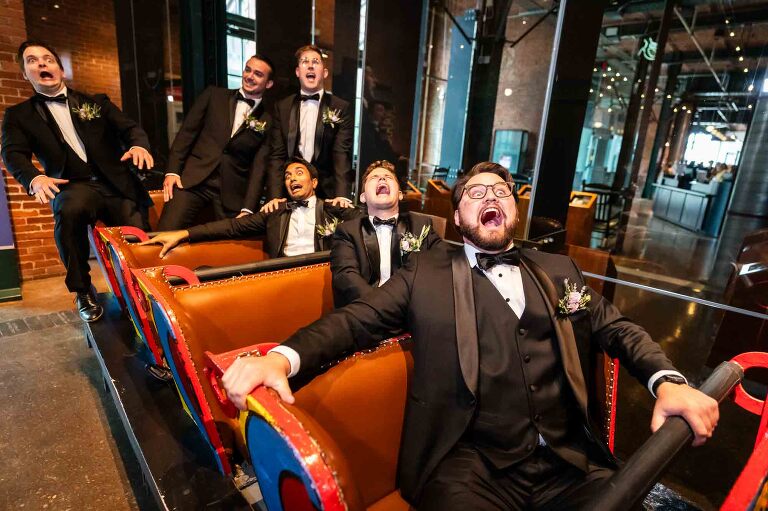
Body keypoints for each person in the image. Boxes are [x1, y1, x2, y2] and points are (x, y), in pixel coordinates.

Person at [221, 161, 719, 510]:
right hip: (468, 465)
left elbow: (617, 327)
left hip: (570, 463)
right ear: (457, 218)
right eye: (475, 194)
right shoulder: (424, 273)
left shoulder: (559, 269)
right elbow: (354, 321)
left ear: (514, 212)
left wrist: (667, 380)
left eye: (500, 191)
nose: (490, 197)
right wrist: (281, 358)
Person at [1, 40, 154, 322]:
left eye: (48, 59)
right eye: (32, 60)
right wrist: (34, 178)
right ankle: (82, 290)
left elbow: (130, 129)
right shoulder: (18, 116)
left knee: (135, 230)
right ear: (25, 74)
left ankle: (146, 285)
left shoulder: (96, 102)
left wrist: (138, 145)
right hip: (72, 185)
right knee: (69, 211)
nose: (42, 63)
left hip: (114, 182)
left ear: (60, 69)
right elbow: (13, 153)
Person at [143, 159, 361, 259]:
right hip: (282, 275)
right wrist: (183, 233)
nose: (292, 178)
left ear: (314, 182)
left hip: (320, 274)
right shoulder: (275, 211)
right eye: (287, 176)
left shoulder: (333, 209)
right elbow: (232, 227)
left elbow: (369, 219)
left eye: (299, 173)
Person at [156, 54, 275, 230]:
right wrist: (172, 172)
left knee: (233, 245)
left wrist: (248, 208)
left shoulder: (268, 120)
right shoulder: (214, 95)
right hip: (192, 181)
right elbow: (186, 134)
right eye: (247, 70)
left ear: (269, 83)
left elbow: (259, 167)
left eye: (258, 74)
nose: (250, 76)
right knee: (166, 232)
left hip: (231, 193)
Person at [331, 160, 441, 307]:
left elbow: (440, 262)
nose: (382, 178)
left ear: (400, 194)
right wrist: (382, 305)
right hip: (365, 309)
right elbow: (345, 276)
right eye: (374, 177)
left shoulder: (421, 225)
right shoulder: (347, 231)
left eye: (388, 177)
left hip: (410, 309)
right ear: (363, 197)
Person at [265, 45, 353, 203]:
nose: (310, 65)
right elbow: (277, 155)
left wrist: (342, 195)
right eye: (305, 61)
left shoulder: (340, 107)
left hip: (326, 193)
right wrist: (275, 197)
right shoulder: (283, 107)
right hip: (290, 192)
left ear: (324, 73)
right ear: (298, 72)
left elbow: (341, 154)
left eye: (316, 62)